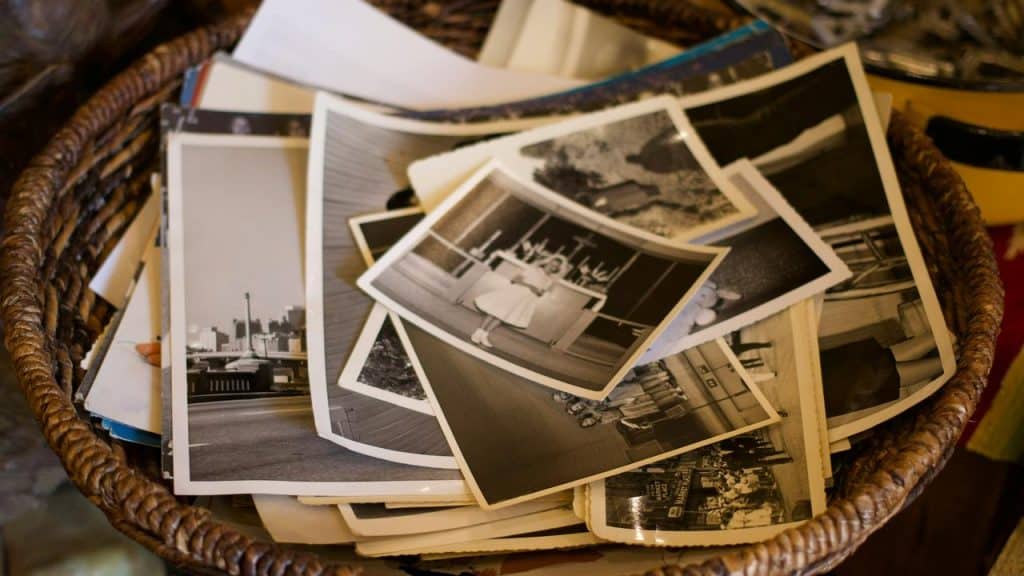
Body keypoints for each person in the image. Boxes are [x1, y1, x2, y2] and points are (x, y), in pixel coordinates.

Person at [471, 255, 568, 348]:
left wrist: (542, 291)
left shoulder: (550, 280)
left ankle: (484, 335)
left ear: (557, 269)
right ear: (548, 262)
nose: (552, 267)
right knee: (495, 312)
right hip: (515, 293)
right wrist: (531, 286)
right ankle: (477, 332)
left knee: (503, 317)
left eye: (555, 267)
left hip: (526, 300)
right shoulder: (534, 269)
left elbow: (540, 294)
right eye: (552, 264)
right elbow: (515, 279)